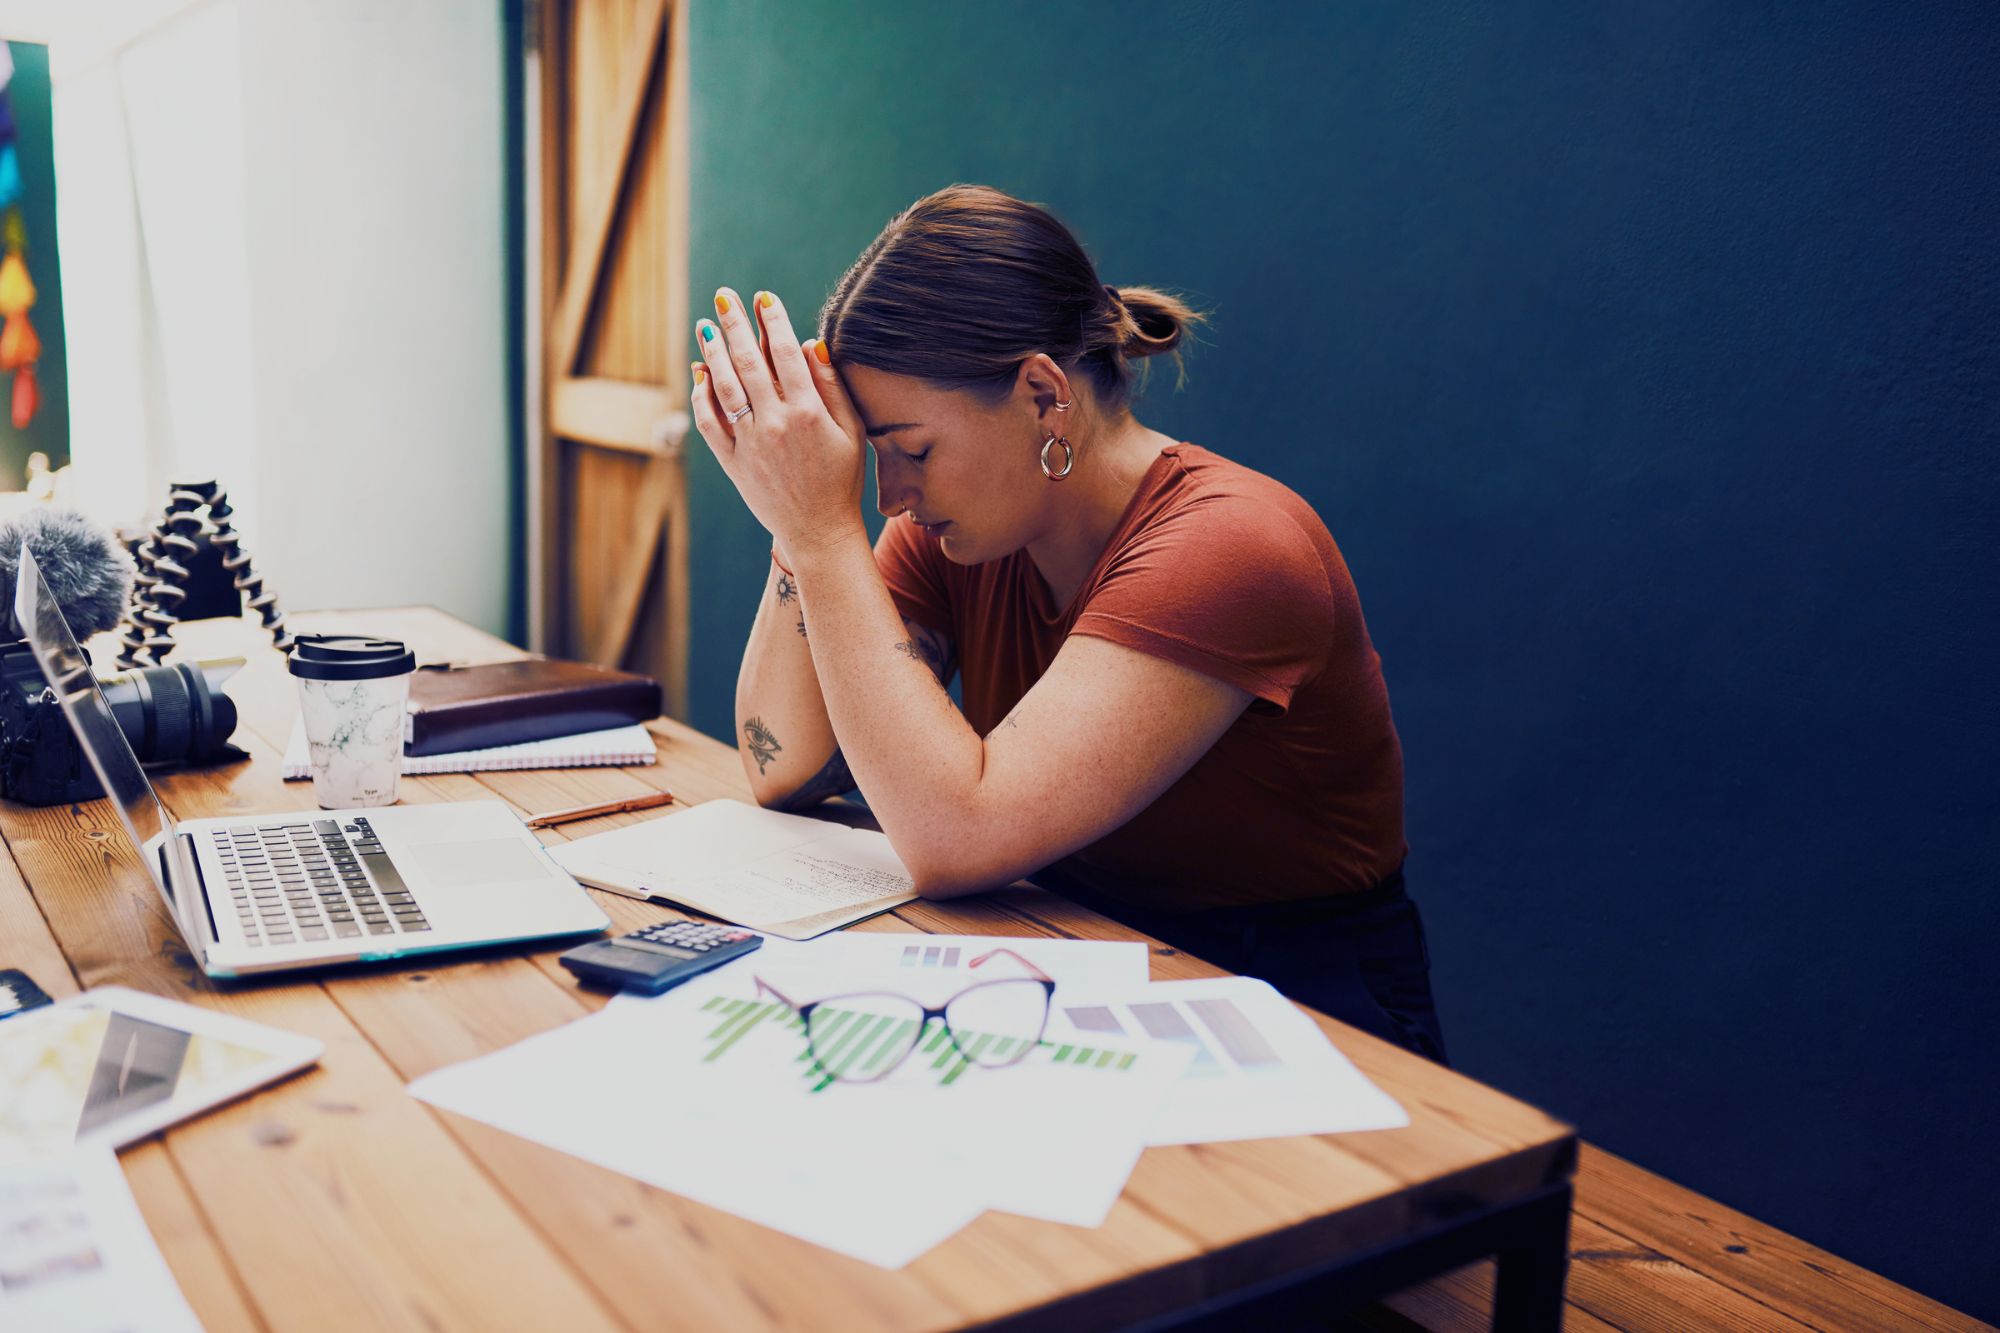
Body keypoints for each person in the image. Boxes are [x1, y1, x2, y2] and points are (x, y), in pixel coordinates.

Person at [688, 184, 1446, 1062]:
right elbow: (782, 764)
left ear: (1044, 394)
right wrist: (796, 525)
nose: (889, 497)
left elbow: (956, 836)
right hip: (1073, 955)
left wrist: (824, 533)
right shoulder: (963, 532)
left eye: (914, 450)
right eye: (873, 458)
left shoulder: (1233, 544)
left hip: (1298, 1015)